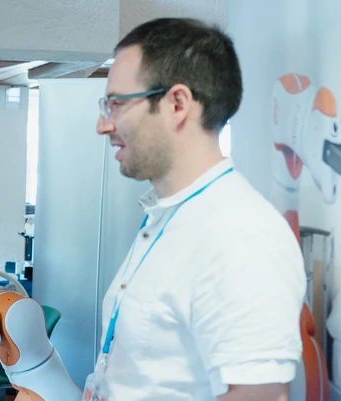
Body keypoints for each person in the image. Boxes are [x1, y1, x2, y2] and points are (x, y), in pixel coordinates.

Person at [89, 18, 305, 400]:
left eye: (117, 104)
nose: (102, 125)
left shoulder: (240, 237)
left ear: (177, 104)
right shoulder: (170, 215)